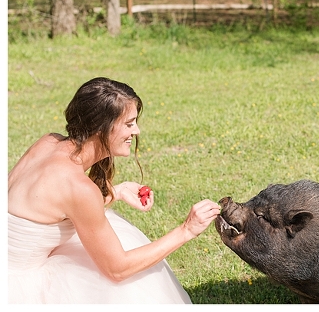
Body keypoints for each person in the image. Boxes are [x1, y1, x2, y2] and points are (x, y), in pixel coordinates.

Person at [8, 77, 221, 303]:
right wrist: (186, 230)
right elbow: (118, 269)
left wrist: (116, 192)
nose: (136, 131)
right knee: (131, 284)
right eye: (129, 124)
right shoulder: (78, 188)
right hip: (17, 286)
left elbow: (49, 204)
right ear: (102, 128)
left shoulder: (48, 143)